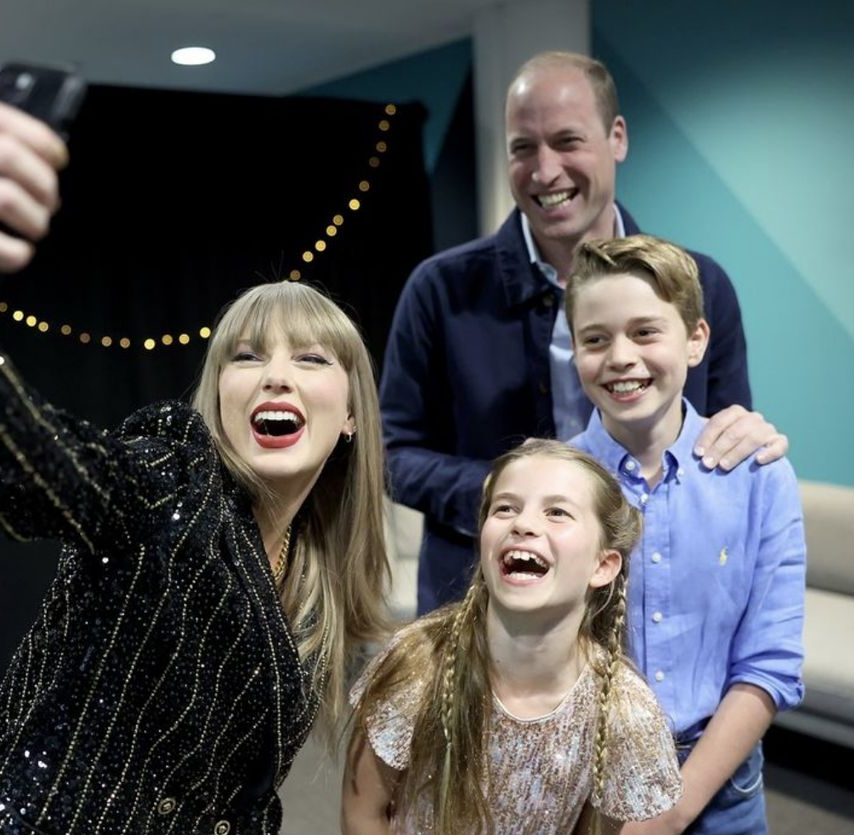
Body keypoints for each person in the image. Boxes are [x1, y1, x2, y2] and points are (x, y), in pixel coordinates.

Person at [0, 79, 393, 834]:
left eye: (309, 358)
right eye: (245, 356)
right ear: (216, 395)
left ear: (351, 416)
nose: (275, 373)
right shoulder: (171, 479)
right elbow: (33, 461)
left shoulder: (312, 574)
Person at [379, 51, 789, 614]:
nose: (545, 171)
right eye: (523, 148)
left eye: (567, 141)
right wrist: (507, 493)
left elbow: (722, 440)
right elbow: (390, 452)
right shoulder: (439, 289)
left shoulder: (703, 285)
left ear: (616, 137)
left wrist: (748, 436)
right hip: (480, 606)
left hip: (657, 606)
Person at [566, 235, 805, 834]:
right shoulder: (552, 482)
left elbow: (769, 664)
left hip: (721, 784)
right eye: (595, 339)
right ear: (574, 351)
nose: (621, 356)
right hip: (582, 782)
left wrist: (674, 812)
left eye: (646, 332)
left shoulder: (760, 478)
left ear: (696, 339)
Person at [341, 438, 681, 835]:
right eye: (505, 508)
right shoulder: (419, 665)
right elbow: (363, 812)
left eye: (557, 512)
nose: (522, 524)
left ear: (603, 566)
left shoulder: (623, 710)